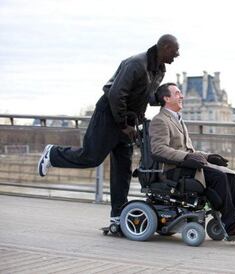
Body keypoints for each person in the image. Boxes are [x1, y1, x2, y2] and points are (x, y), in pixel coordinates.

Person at [37, 34, 180, 225]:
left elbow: (145, 94)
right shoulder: (136, 64)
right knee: (91, 157)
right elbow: (115, 94)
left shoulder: (159, 69)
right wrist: (123, 125)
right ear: (164, 47)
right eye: (175, 50)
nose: (177, 54)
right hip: (109, 115)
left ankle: (118, 215)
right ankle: (53, 154)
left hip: (127, 120)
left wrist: (164, 100)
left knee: (123, 169)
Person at [149, 83, 235, 237]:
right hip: (173, 171)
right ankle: (231, 226)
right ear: (166, 98)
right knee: (219, 177)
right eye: (177, 93)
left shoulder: (178, 120)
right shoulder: (160, 120)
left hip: (186, 166)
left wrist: (208, 156)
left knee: (231, 175)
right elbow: (158, 150)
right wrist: (187, 157)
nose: (182, 96)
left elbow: (188, 149)